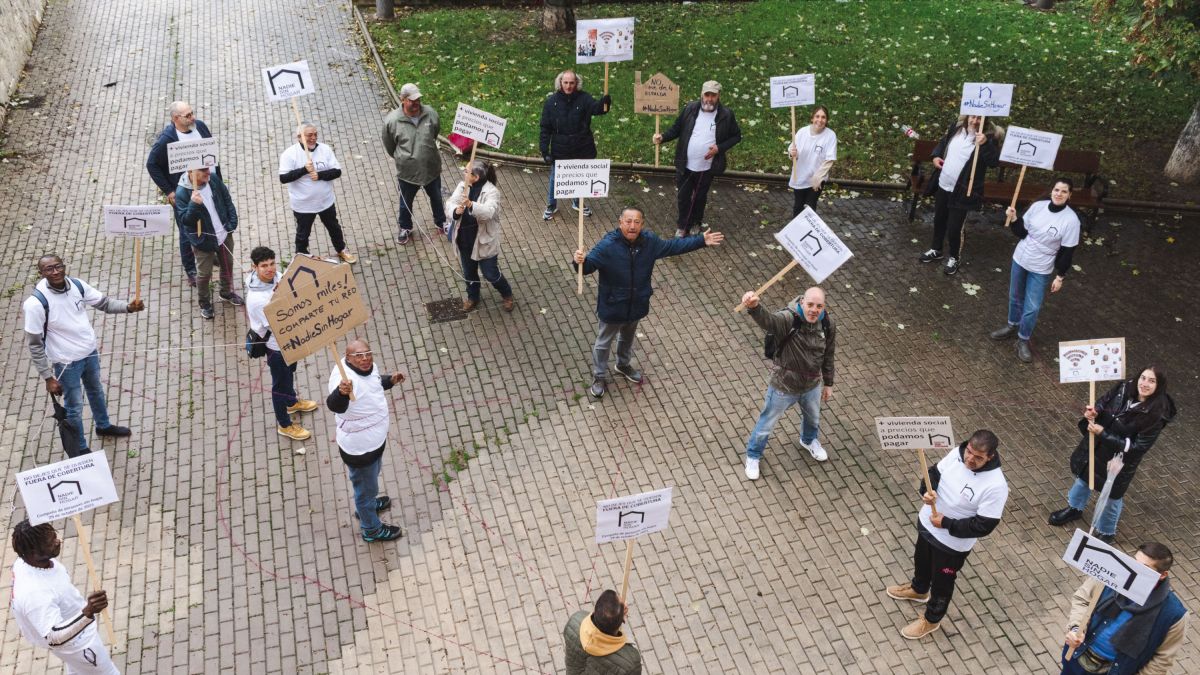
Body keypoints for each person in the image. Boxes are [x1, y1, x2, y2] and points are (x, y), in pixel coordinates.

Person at [573, 207, 724, 398]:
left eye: (636, 222)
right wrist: (580, 261)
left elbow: (673, 246)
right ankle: (599, 376)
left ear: (642, 224)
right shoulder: (607, 246)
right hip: (613, 305)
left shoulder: (650, 242)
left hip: (637, 303)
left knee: (627, 338)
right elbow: (588, 267)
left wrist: (701, 240)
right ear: (620, 223)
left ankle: (623, 365)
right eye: (628, 222)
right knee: (603, 343)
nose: (632, 226)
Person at [885, 430, 1007, 639]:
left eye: (978, 457)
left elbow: (984, 525)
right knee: (921, 561)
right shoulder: (957, 454)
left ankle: (932, 619)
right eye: (969, 452)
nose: (970, 459)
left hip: (952, 545)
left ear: (990, 457)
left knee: (942, 583)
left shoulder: (996, 486)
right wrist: (927, 490)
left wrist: (946, 523)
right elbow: (933, 473)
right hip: (928, 524)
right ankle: (919, 589)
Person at [23, 255, 143, 454]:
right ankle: (79, 448)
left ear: (64, 266)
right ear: (41, 273)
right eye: (49, 268)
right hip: (66, 362)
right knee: (74, 406)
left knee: (96, 391)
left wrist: (128, 307)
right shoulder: (35, 304)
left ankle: (103, 426)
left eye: (58, 266)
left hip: (89, 353)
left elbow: (104, 303)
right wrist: (48, 377)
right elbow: (34, 345)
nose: (55, 271)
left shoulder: (77, 285)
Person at [1048, 365, 1177, 543]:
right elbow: (1103, 401)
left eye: (1152, 381)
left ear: (1159, 385)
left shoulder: (1157, 415)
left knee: (1111, 497)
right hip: (1096, 447)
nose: (1144, 384)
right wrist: (1095, 411)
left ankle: (1107, 531)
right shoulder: (1124, 386)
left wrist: (1103, 434)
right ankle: (1074, 509)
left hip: (1119, 461)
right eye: (1143, 378)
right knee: (1083, 479)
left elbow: (1138, 448)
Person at [738, 287, 836, 479]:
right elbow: (769, 321)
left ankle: (808, 440)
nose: (814, 310)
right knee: (766, 424)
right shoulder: (788, 318)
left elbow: (828, 354)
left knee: (813, 419)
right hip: (783, 386)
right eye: (810, 305)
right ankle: (753, 455)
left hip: (811, 386)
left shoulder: (827, 323)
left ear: (824, 306)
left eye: (819, 306)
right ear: (802, 303)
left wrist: (828, 383)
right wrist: (754, 307)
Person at [9, 519, 120, 674]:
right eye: (50, 542)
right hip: (78, 645)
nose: (57, 542)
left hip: (78, 632)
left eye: (55, 536)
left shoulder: (26, 561)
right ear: (33, 553)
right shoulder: (35, 594)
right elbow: (54, 637)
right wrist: (88, 611)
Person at [1061, 542, 1188, 675]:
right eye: (1134, 562)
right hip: (1077, 653)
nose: (1133, 570)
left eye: (1144, 568)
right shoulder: (1110, 574)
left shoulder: (1175, 614)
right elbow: (1083, 598)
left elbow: (1162, 659)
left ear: (1162, 575)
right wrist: (1076, 628)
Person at [989, 179, 1081, 362]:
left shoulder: (1071, 221)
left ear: (1070, 195)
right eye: (1056, 190)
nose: (1059, 194)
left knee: (1032, 307)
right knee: (1015, 296)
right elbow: (1022, 233)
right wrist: (1013, 218)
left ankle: (1023, 339)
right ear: (1051, 191)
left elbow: (1067, 252)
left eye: (1064, 191)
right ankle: (1011, 325)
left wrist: (1060, 276)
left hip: (1041, 268)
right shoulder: (1038, 207)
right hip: (1020, 259)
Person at [327, 340, 407, 542]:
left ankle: (367, 505)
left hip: (375, 444)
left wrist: (390, 381)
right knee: (365, 489)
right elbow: (335, 405)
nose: (365, 358)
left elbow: (374, 383)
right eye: (359, 355)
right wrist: (341, 392)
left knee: (369, 484)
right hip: (361, 451)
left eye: (368, 353)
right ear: (348, 358)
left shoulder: (368, 367)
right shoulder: (344, 380)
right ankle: (371, 528)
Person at [245, 246, 318, 440]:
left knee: (289, 373)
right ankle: (284, 425)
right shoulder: (257, 299)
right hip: (277, 348)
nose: (270, 269)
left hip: (291, 340)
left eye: (272, 264)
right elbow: (279, 324)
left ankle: (291, 402)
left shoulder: (276, 277)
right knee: (279, 385)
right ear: (255, 268)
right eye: (264, 266)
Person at [145, 101, 221, 286]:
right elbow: (152, 165)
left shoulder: (200, 126)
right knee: (188, 230)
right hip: (184, 192)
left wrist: (218, 181)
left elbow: (212, 153)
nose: (192, 118)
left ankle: (210, 252)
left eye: (192, 113)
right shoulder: (167, 139)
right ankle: (190, 268)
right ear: (175, 118)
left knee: (211, 220)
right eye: (187, 116)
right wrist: (169, 191)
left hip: (208, 185)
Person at [917, 114, 1004, 275]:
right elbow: (943, 143)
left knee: (955, 227)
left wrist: (985, 144)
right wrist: (936, 156)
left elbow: (993, 163)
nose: (975, 121)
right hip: (944, 184)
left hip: (964, 189)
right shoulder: (956, 128)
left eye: (979, 118)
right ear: (967, 116)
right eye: (973, 117)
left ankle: (954, 258)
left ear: (985, 119)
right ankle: (936, 249)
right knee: (939, 219)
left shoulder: (989, 137)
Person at [654, 80, 742, 238]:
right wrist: (663, 137)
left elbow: (736, 136)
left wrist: (720, 147)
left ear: (719, 95)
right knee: (683, 197)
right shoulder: (690, 108)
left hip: (707, 167)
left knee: (700, 197)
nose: (709, 99)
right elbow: (677, 128)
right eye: (707, 95)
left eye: (713, 95)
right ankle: (683, 225)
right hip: (685, 164)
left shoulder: (726, 115)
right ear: (701, 94)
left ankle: (696, 223)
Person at [539, 70, 611, 220]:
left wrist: (605, 102)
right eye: (565, 82)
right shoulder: (551, 102)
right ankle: (552, 205)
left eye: (571, 83)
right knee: (555, 176)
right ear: (560, 83)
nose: (568, 86)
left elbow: (598, 109)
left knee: (581, 175)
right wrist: (544, 150)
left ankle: (578, 202)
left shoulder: (584, 98)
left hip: (582, 145)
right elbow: (545, 127)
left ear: (576, 83)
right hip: (560, 147)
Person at [278, 122, 355, 263]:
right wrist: (304, 170)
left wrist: (320, 175)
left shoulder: (325, 149)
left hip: (325, 201)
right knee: (303, 234)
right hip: (303, 205)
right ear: (299, 137)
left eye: (315, 134)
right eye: (309, 135)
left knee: (334, 228)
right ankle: (301, 256)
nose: (313, 138)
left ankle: (341, 249)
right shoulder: (289, 154)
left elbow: (337, 171)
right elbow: (283, 178)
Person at [446, 160, 514, 312]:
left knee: (491, 274)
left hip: (484, 242)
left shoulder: (492, 192)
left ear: (475, 177)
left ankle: (507, 293)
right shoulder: (462, 186)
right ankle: (472, 297)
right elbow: (450, 203)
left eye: (466, 171)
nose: (463, 173)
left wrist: (471, 204)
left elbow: (489, 212)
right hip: (464, 239)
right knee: (469, 273)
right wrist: (455, 211)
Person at [382, 83, 444, 245]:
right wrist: (404, 158)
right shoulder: (392, 121)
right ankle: (405, 227)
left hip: (431, 168)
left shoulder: (430, 114)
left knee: (437, 198)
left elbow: (435, 132)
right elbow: (390, 146)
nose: (416, 103)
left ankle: (441, 221)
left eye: (418, 99)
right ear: (403, 100)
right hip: (408, 172)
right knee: (405, 203)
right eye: (412, 100)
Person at [177, 167, 241, 319]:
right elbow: (186, 221)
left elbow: (226, 198)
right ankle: (204, 301)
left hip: (223, 233)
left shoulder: (213, 179)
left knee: (227, 264)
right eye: (203, 170)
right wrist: (194, 204)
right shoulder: (182, 193)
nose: (208, 172)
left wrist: (232, 222)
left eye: (208, 168)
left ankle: (226, 292)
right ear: (191, 171)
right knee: (204, 273)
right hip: (203, 239)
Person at [563, 590, 642, 675]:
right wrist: (619, 616)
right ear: (623, 620)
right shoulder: (631, 663)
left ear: (595, 610)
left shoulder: (575, 621)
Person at [787, 106, 837, 216]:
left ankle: (808, 226)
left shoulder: (830, 135)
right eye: (817, 116)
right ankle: (797, 226)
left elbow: (830, 159)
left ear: (826, 120)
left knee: (809, 207)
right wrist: (793, 153)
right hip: (800, 175)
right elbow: (793, 151)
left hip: (816, 178)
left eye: (823, 117)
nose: (820, 120)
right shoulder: (802, 132)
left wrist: (818, 178)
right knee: (798, 205)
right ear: (812, 118)